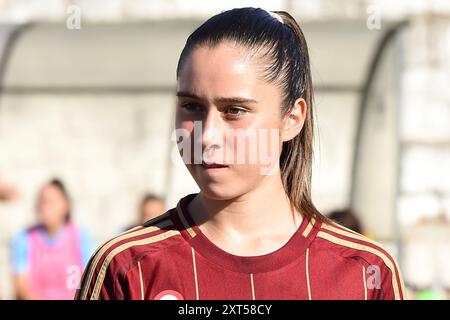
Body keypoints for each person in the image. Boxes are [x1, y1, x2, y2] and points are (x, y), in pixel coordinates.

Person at [76, 7, 406, 300]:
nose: (207, 136)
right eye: (191, 106)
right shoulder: (126, 267)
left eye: (234, 110)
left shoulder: (365, 273)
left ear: (292, 118)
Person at [11, 178, 96, 300]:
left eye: (51, 202)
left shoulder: (81, 236)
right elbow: (22, 289)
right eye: (42, 201)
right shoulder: (24, 238)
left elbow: (89, 282)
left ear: (66, 206)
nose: (45, 207)